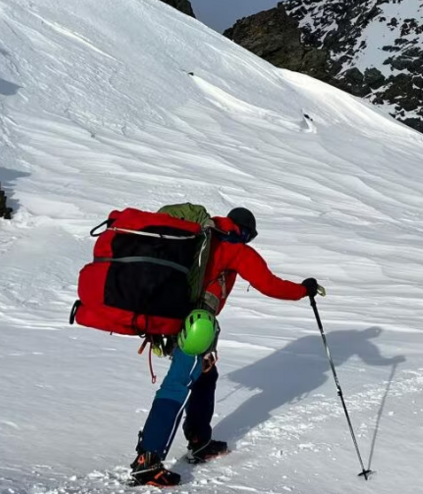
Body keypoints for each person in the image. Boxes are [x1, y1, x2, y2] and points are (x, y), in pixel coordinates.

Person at [130, 207, 325, 487]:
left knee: (206, 374)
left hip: (171, 318)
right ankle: (147, 461)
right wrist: (303, 289)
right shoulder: (234, 247)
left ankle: (199, 440)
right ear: (245, 231)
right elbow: (269, 285)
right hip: (194, 326)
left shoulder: (198, 236)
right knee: (177, 384)